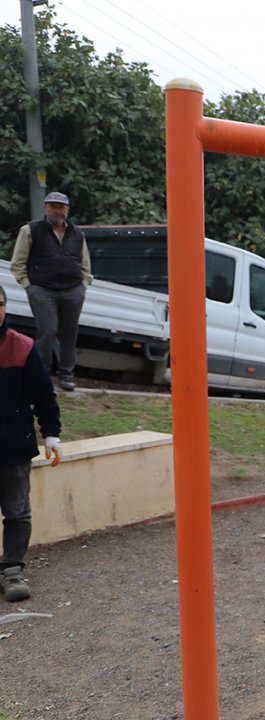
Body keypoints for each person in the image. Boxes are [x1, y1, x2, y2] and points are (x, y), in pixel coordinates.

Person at [0, 284, 62, 602]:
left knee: (17, 512)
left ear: (5, 307)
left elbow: (43, 395)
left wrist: (52, 433)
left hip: (13, 447)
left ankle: (12, 571)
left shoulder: (22, 347)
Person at [11, 191, 93, 392]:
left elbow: (85, 263)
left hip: (73, 289)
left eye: (61, 206)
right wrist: (29, 286)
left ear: (67, 209)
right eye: (53, 206)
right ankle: (42, 374)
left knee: (69, 333)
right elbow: (18, 263)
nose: (58, 210)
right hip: (41, 289)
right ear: (45, 208)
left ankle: (67, 375)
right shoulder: (30, 230)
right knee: (48, 330)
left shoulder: (77, 233)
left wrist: (84, 284)